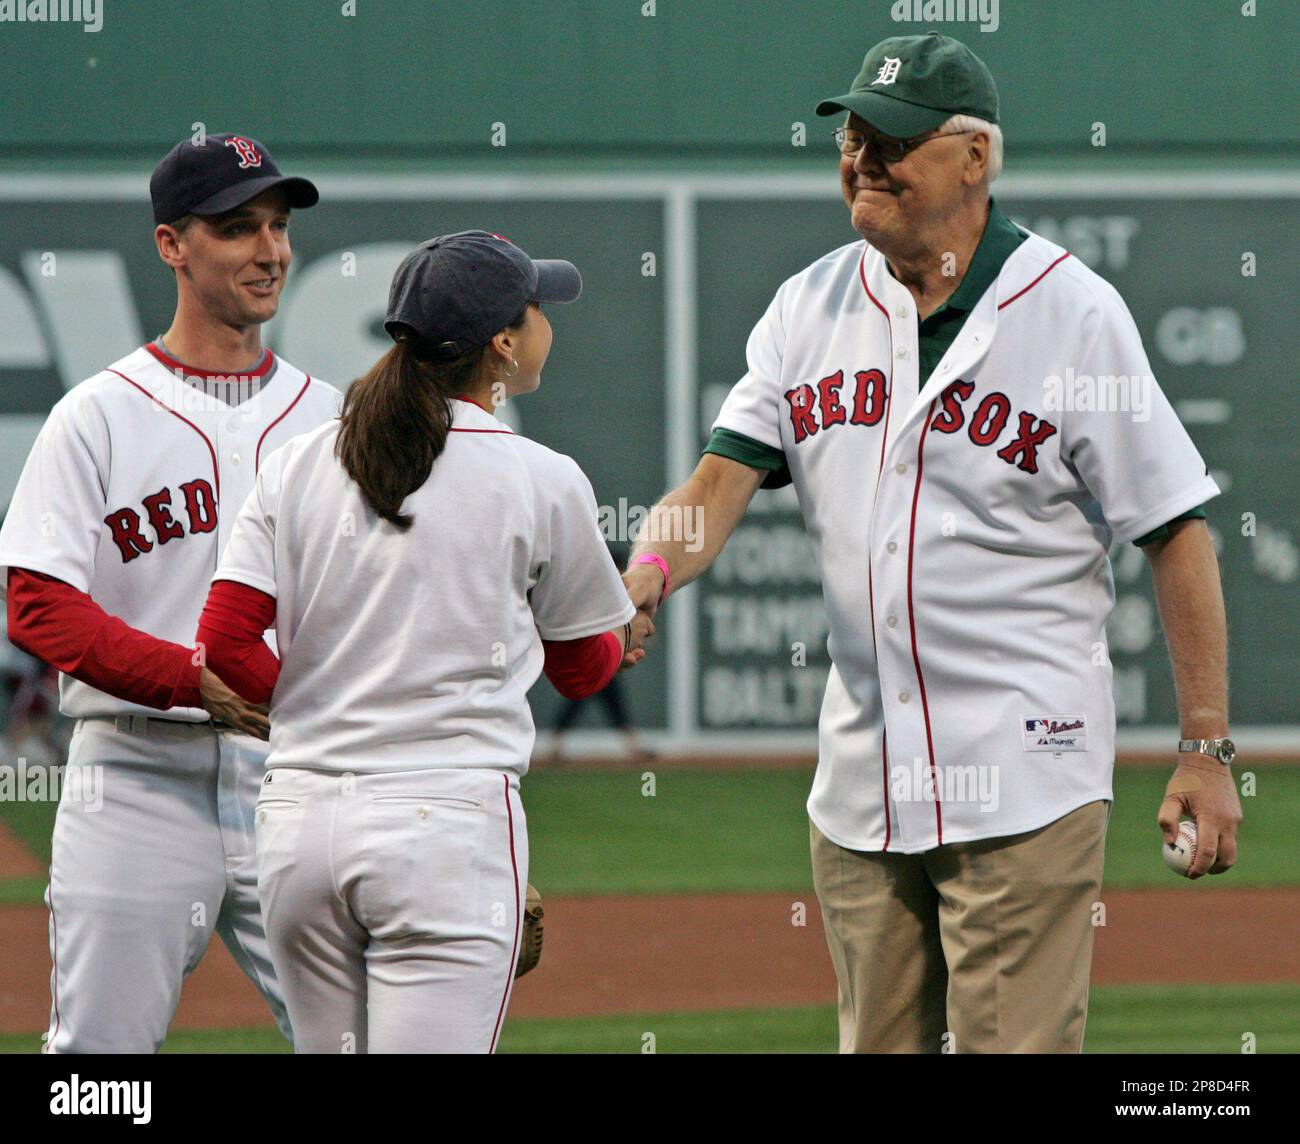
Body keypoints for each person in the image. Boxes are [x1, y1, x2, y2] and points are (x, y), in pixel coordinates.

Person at [622, 33, 1241, 1053]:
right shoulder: (808, 305)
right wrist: (647, 570)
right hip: (863, 782)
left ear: (973, 159)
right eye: (853, 135)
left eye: (893, 139)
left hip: (1025, 773)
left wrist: (1205, 747)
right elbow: (715, 484)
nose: (862, 157)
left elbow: (1176, 530)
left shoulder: (1076, 314)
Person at [195, 230, 650, 1054]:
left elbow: (225, 642)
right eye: (537, 308)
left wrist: (310, 712)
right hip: (445, 829)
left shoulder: (300, 460)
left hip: (298, 829)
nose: (549, 322)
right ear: (503, 344)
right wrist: (626, 638)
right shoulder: (542, 476)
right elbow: (583, 669)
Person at [0, 132, 341, 1053]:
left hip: (301, 778)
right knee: (101, 1063)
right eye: (237, 228)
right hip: (138, 776)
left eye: (277, 226)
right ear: (172, 245)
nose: (269, 250)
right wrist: (189, 677)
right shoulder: (98, 415)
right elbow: (35, 600)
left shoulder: (334, 418)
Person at [538, 542, 658, 765]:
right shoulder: (599, 589)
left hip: (605, 654)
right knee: (593, 698)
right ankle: (631, 746)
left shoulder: (619, 590)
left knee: (597, 700)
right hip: (595, 652)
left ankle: (556, 746)